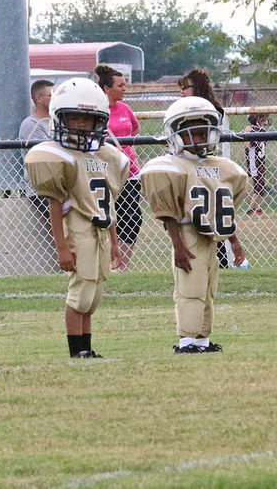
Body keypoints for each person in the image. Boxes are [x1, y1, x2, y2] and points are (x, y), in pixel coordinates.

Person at [23, 77, 130, 358]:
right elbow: (55, 204)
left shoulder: (107, 156)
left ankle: (87, 348)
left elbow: (107, 205)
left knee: (93, 294)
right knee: (80, 292)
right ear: (60, 117)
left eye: (87, 119)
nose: (82, 125)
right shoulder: (58, 156)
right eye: (75, 118)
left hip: (102, 230)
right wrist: (61, 246)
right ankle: (76, 350)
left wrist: (115, 242)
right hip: (79, 230)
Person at [140, 96, 248, 353]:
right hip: (188, 233)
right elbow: (169, 214)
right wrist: (177, 245)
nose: (199, 139)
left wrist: (234, 241)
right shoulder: (169, 166)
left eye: (203, 133)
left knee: (208, 289)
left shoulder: (222, 167)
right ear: (175, 135)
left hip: (212, 237)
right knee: (190, 289)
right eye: (192, 134)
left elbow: (223, 211)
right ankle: (186, 341)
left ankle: (202, 339)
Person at [177, 69, 233, 268]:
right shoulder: (180, 110)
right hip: (186, 166)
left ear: (198, 87)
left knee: (212, 212)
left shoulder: (211, 109)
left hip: (206, 167)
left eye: (186, 87)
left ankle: (221, 259)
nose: (182, 92)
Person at [95, 65, 141, 272]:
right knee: (108, 215)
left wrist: (128, 150)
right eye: (120, 85)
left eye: (125, 84)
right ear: (106, 88)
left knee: (132, 216)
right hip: (104, 172)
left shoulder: (125, 109)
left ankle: (121, 264)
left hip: (130, 172)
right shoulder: (97, 110)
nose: (124, 88)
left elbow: (135, 128)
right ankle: (104, 260)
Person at [243, 113, 271, 216]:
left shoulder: (262, 131)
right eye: (263, 120)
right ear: (257, 120)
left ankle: (256, 207)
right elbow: (246, 145)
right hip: (254, 162)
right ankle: (251, 209)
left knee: (259, 186)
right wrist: (248, 131)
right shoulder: (251, 129)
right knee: (259, 186)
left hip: (261, 162)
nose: (266, 122)